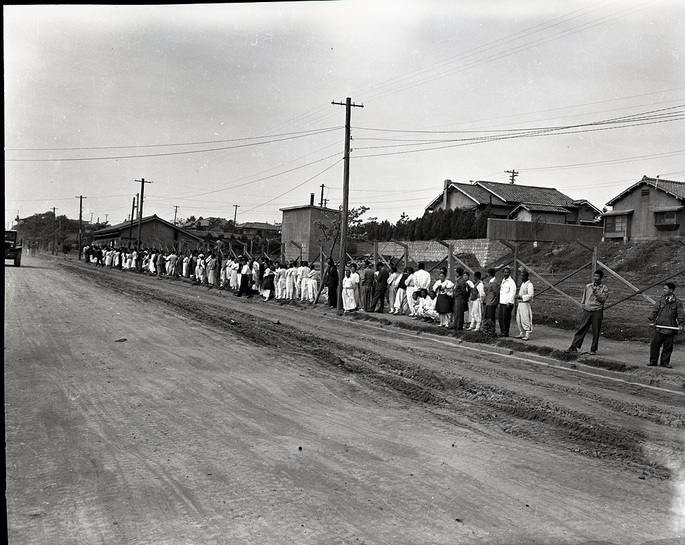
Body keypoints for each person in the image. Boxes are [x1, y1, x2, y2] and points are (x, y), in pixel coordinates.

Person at [566, 270, 609, 355]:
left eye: (597, 277)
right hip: (587, 310)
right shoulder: (588, 286)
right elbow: (584, 297)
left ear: (601, 278)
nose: (595, 278)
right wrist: (583, 305)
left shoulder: (604, 288)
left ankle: (593, 349)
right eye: (594, 276)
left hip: (597, 311)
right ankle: (573, 347)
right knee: (581, 329)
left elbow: (603, 299)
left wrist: (596, 292)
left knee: (596, 331)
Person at [648, 282, 684, 368]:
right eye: (663, 288)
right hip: (659, 326)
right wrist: (652, 320)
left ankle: (664, 362)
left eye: (665, 289)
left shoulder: (677, 302)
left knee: (668, 347)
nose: (663, 290)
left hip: (670, 327)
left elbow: (680, 314)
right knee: (655, 345)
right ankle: (653, 361)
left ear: (671, 290)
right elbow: (654, 311)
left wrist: (681, 324)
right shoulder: (660, 300)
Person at [515, 270, 534, 340]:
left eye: (522, 276)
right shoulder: (523, 284)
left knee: (525, 318)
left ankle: (527, 334)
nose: (521, 277)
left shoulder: (529, 285)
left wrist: (521, 297)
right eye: (521, 276)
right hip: (520, 304)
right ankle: (521, 332)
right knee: (519, 319)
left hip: (525, 304)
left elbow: (530, 295)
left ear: (526, 276)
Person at [498, 267, 517, 337]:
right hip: (502, 302)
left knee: (506, 318)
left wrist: (510, 302)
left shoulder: (511, 282)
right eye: (505, 272)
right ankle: (502, 331)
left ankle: (506, 332)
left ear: (509, 273)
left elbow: (512, 292)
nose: (506, 273)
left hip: (507, 303)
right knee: (501, 318)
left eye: (507, 272)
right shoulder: (503, 281)